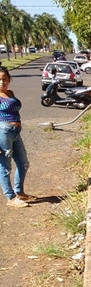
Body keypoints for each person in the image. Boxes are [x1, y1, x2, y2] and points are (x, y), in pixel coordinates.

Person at [0, 67, 34, 207]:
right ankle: (11, 197)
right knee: (5, 166)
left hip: (15, 132)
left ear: (9, 79)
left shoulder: (10, 92)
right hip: (3, 132)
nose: (2, 82)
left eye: (4, 79)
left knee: (23, 163)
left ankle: (19, 192)